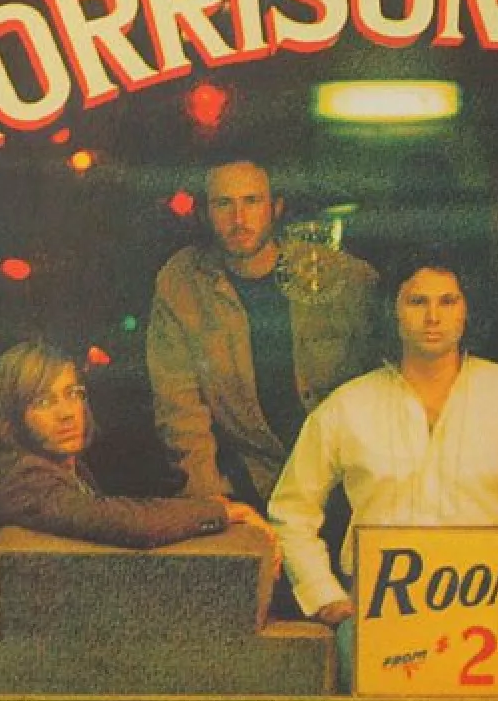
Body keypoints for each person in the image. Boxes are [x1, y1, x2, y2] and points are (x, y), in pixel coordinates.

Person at [267, 249, 498, 691]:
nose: (433, 317)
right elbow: (291, 511)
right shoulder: (349, 406)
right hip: (383, 614)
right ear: (394, 312)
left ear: (467, 311)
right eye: (417, 302)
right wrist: (327, 597)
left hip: (494, 614)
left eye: (448, 301)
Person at [146, 151, 379, 505]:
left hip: (347, 478)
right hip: (253, 480)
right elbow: (180, 412)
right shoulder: (182, 283)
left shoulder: (339, 275)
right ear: (205, 213)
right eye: (224, 204)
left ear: (276, 207)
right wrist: (212, 506)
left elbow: (389, 380)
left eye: (252, 201)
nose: (238, 219)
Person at [0, 338, 276, 571]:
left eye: (73, 394)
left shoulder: (69, 469)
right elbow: (128, 522)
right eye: (44, 402)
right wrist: (223, 512)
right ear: (12, 418)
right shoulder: (22, 479)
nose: (66, 413)